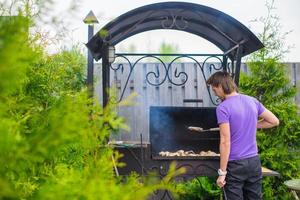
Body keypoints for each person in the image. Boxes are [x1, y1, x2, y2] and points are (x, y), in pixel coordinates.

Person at [206, 71, 279, 200]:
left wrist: (222, 173)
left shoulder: (223, 108)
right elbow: (274, 121)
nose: (214, 92)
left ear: (221, 86)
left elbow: (225, 142)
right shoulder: (252, 101)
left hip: (235, 164)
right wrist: (250, 123)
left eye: (214, 89)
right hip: (254, 162)